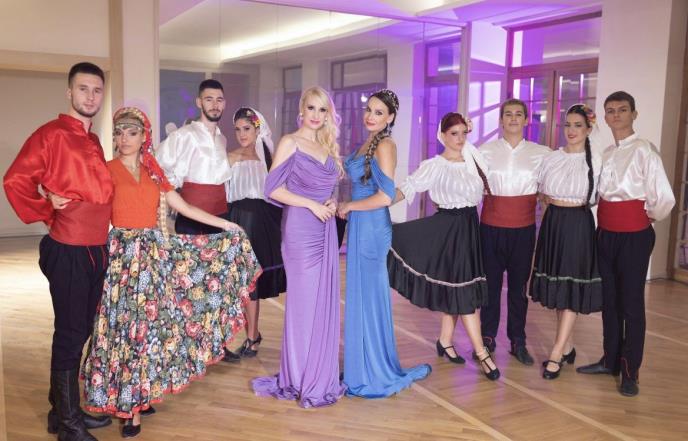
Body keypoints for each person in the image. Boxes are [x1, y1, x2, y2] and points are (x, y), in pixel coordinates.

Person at [78, 107, 260, 438]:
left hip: (153, 258)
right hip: (122, 261)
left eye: (131, 132)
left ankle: (141, 395)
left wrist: (225, 225)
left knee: (149, 330)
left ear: (144, 137)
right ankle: (131, 407)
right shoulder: (106, 169)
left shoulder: (153, 172)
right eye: (119, 132)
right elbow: (87, 201)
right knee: (126, 332)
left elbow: (184, 206)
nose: (124, 138)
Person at [3, 62, 113, 441]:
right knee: (70, 333)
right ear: (69, 92)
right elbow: (15, 180)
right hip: (69, 250)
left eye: (96, 90)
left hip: (97, 249)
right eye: (83, 89)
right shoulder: (50, 135)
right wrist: (46, 207)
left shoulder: (94, 140)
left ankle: (62, 411)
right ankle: (68, 426)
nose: (90, 97)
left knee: (81, 331)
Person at [251, 86, 346, 407]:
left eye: (323, 109)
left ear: (328, 114)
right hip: (300, 230)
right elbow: (272, 189)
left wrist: (331, 201)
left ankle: (318, 372)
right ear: (301, 111)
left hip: (324, 227)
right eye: (312, 108)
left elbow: (327, 190)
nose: (317, 115)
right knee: (304, 304)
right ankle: (300, 377)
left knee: (322, 302)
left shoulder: (326, 146)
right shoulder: (289, 142)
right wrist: (311, 204)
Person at [387, 112, 499, 381]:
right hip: (447, 229)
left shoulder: (472, 160)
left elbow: (489, 183)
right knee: (464, 294)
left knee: (457, 287)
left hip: (469, 229)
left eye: (463, 133)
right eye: (454, 134)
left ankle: (445, 340)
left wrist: (470, 149)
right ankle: (482, 353)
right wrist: (378, 203)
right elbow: (408, 187)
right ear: (443, 135)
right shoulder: (435, 165)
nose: (460, 139)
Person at [576, 91, 675, 396]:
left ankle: (630, 370)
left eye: (622, 109)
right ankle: (610, 360)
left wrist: (642, 219)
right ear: (605, 117)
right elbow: (597, 194)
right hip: (605, 233)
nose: (616, 115)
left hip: (634, 235)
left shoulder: (645, 150)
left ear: (634, 114)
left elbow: (663, 198)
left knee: (631, 303)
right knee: (610, 300)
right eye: (610, 110)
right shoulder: (606, 152)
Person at [337, 89, 431, 398]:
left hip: (372, 227)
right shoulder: (367, 142)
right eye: (369, 110)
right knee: (360, 294)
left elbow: (386, 196)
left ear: (390, 118)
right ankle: (361, 365)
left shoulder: (386, 145)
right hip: (361, 224)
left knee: (370, 295)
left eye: (379, 112)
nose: (370, 116)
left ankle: (375, 369)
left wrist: (349, 205)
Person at [529, 104, 603, 380]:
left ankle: (556, 352)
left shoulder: (596, 161)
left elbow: (601, 195)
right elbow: (540, 190)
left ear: (588, 129)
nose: (571, 130)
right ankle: (568, 346)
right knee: (560, 286)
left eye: (578, 125)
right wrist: (544, 198)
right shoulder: (552, 158)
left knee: (571, 286)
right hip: (553, 223)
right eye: (567, 125)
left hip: (578, 224)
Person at [478, 99, 551, 365]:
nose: (513, 118)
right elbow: (472, 186)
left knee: (519, 289)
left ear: (526, 120)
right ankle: (487, 338)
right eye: (508, 114)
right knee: (491, 287)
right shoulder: (484, 151)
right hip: (490, 228)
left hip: (523, 230)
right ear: (500, 120)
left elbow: (547, 190)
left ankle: (517, 341)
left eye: (518, 114)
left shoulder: (542, 153)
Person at [224, 107, 286, 357]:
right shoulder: (230, 157)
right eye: (237, 129)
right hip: (236, 222)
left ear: (258, 129)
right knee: (238, 283)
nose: (242, 134)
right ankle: (247, 334)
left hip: (261, 224)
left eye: (247, 128)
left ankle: (252, 336)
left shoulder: (269, 158)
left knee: (252, 282)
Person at [156, 79, 231, 235]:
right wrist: (175, 196)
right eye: (209, 99)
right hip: (191, 218)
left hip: (220, 216)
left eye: (219, 100)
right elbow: (158, 168)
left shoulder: (222, 139)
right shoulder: (183, 135)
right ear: (199, 102)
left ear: (224, 104)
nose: (215, 105)